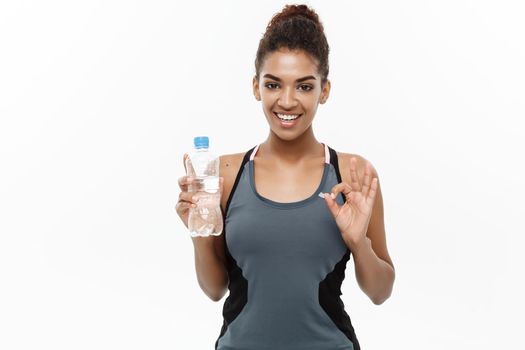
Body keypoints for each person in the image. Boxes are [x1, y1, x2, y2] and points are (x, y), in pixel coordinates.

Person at [176, 4, 395, 349]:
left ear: (324, 90)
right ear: (256, 87)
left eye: (305, 87)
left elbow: (381, 292)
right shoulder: (226, 174)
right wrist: (199, 231)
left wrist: (359, 243)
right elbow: (215, 289)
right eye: (274, 84)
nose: (288, 101)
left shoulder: (353, 174)